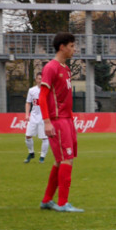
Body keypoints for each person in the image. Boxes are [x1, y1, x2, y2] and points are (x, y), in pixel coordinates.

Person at [39, 32, 84, 212]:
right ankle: (63, 203)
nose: (74, 49)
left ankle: (47, 200)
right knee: (67, 159)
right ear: (62, 47)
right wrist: (47, 122)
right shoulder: (51, 67)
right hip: (57, 121)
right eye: (72, 46)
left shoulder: (65, 69)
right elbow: (43, 97)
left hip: (67, 120)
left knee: (61, 160)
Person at [23, 71, 49, 163]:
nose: (40, 80)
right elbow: (28, 103)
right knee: (28, 136)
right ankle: (31, 153)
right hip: (33, 117)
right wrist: (27, 114)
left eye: (42, 79)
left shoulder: (47, 90)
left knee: (45, 138)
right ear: (36, 80)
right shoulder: (31, 90)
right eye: (39, 78)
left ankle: (42, 157)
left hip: (44, 117)